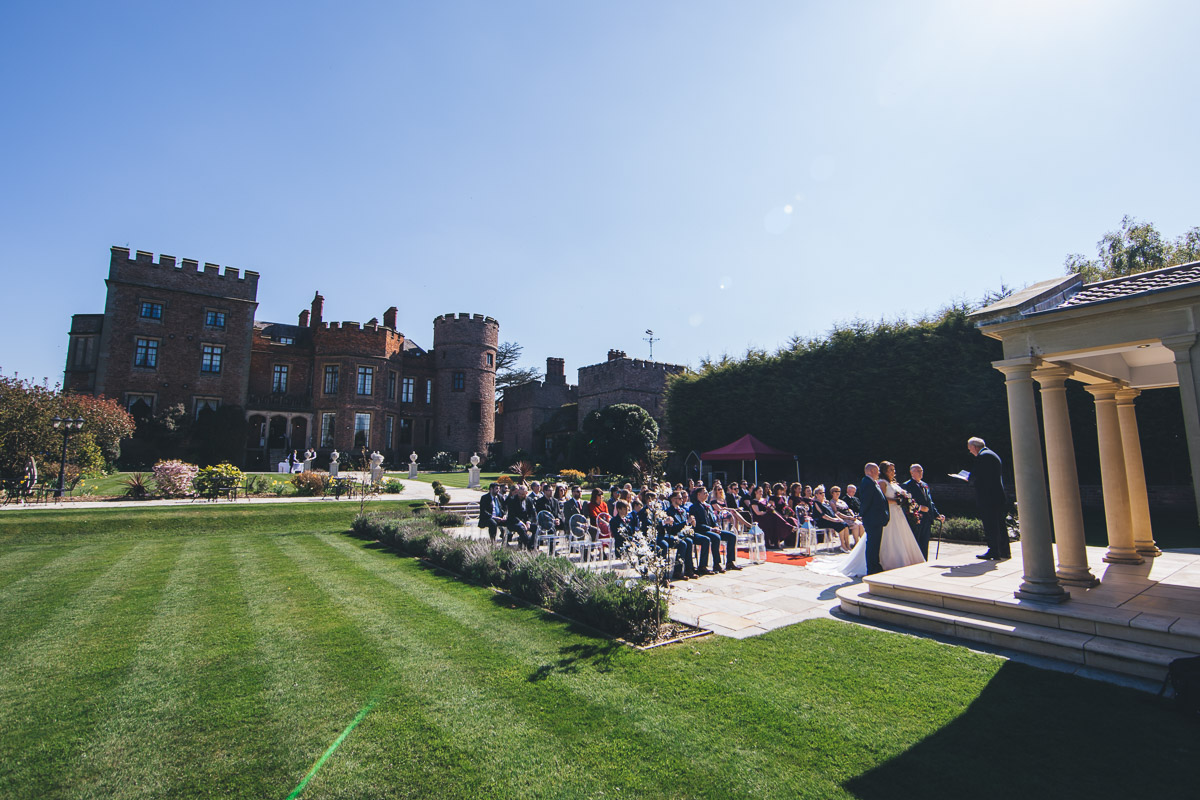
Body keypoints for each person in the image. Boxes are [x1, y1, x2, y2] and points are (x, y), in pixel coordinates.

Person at [967, 436, 1010, 560]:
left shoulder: (983, 457)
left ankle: (994, 551)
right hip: (997, 496)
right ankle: (1004, 551)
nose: (970, 451)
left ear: (975, 447)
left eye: (970, 449)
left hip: (989, 498)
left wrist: (969, 480)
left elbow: (979, 477)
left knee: (991, 524)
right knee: (1000, 524)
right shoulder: (992, 454)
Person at [690, 486, 741, 571]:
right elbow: (697, 525)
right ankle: (715, 564)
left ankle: (730, 562)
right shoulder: (694, 507)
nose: (707, 494)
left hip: (712, 529)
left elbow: (713, 520)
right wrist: (711, 529)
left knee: (732, 536)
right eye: (705, 493)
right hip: (702, 531)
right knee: (715, 537)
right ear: (699, 494)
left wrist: (716, 526)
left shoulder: (708, 506)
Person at [901, 464, 944, 559]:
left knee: (925, 543)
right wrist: (919, 508)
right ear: (911, 473)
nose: (921, 473)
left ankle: (924, 561)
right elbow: (906, 502)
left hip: (927, 519)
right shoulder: (907, 485)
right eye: (918, 471)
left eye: (921, 470)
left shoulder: (925, 485)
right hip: (916, 518)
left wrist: (937, 515)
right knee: (916, 542)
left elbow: (930, 502)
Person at [856, 462, 889, 575]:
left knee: (875, 544)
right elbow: (866, 501)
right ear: (871, 471)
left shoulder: (872, 482)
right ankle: (872, 568)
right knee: (872, 545)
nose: (879, 473)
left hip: (876, 519)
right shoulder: (867, 482)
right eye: (877, 471)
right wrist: (863, 515)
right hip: (872, 519)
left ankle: (876, 565)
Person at [505, 484, 537, 550]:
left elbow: (531, 513)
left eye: (522, 494)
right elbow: (512, 515)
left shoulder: (529, 500)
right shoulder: (512, 500)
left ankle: (532, 544)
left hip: (525, 521)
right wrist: (521, 523)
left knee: (536, 527)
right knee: (521, 528)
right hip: (514, 522)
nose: (520, 495)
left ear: (526, 493)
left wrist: (528, 522)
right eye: (519, 493)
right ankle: (529, 547)